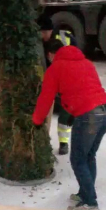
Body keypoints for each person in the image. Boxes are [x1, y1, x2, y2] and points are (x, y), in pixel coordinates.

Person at [32, 39, 106, 210]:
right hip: (105, 112)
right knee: (89, 156)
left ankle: (90, 202)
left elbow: (46, 98)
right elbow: (86, 89)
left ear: (51, 54)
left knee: (78, 159)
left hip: (88, 115)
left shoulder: (55, 68)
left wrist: (37, 120)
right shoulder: (87, 63)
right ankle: (85, 193)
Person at [38, 16, 75, 156]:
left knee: (66, 114)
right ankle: (44, 140)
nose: (42, 36)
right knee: (45, 109)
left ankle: (63, 143)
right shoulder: (39, 41)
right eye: (40, 33)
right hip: (50, 78)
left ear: (51, 30)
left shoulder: (65, 38)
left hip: (67, 78)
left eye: (44, 33)